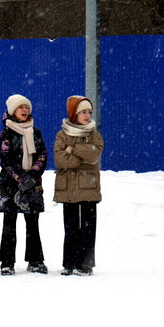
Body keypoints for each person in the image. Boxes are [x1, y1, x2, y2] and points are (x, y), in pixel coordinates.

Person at [0, 94, 48, 275]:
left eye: (26, 107)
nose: (24, 110)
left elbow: (42, 154)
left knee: (32, 223)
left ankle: (35, 260)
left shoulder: (35, 132)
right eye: (20, 107)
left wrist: (33, 174)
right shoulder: (6, 133)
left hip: (32, 183)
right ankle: (7, 262)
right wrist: (20, 177)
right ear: (12, 111)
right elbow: (6, 158)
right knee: (9, 224)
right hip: (11, 184)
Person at [53, 96, 104, 276]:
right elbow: (61, 160)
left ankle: (85, 265)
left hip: (89, 188)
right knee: (71, 228)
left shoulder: (94, 135)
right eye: (83, 112)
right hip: (68, 189)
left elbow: (94, 155)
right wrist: (82, 156)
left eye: (89, 112)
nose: (87, 115)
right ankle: (69, 264)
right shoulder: (62, 135)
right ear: (74, 113)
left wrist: (73, 149)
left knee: (88, 229)